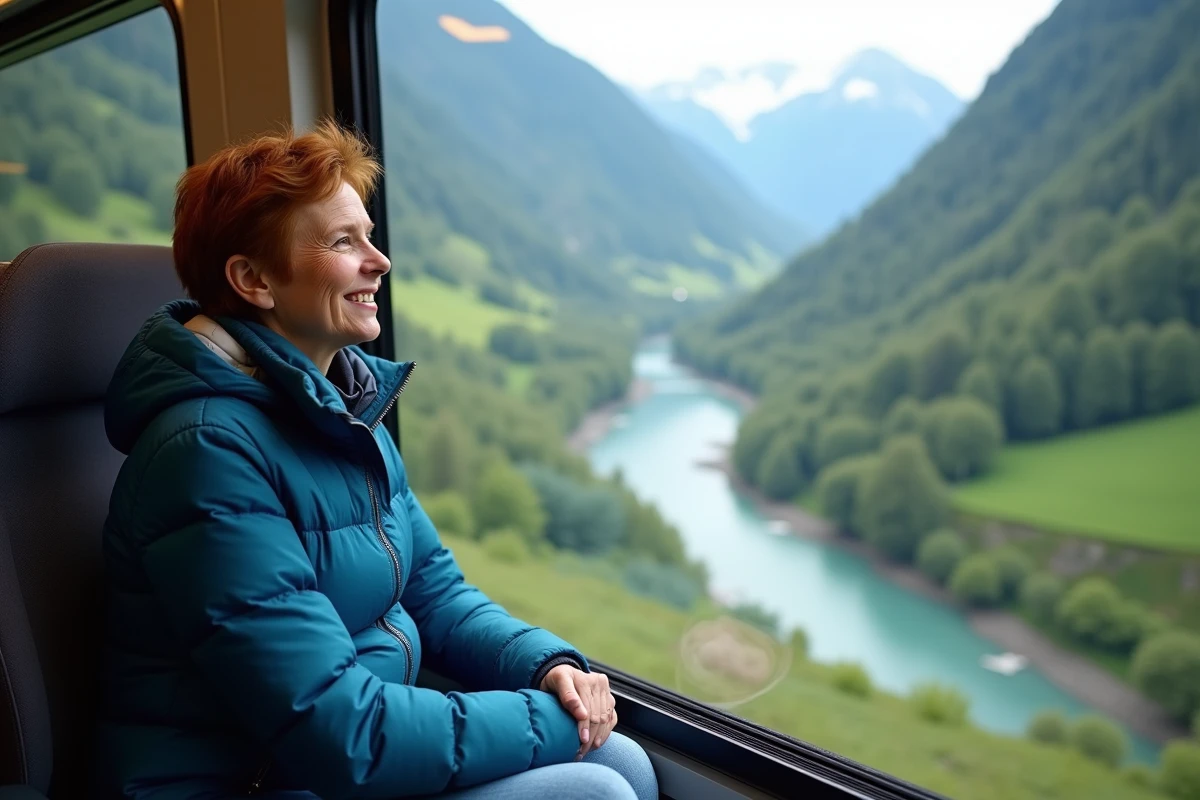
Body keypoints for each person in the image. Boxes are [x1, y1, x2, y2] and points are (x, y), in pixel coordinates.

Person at [95, 121, 658, 800]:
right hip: (257, 782)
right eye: (342, 241)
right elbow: (342, 734)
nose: (379, 260)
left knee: (624, 761)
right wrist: (555, 721)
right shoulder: (206, 453)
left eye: (368, 234)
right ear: (253, 279)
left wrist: (545, 667)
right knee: (598, 791)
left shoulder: (343, 412)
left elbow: (436, 594)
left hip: (328, 767)